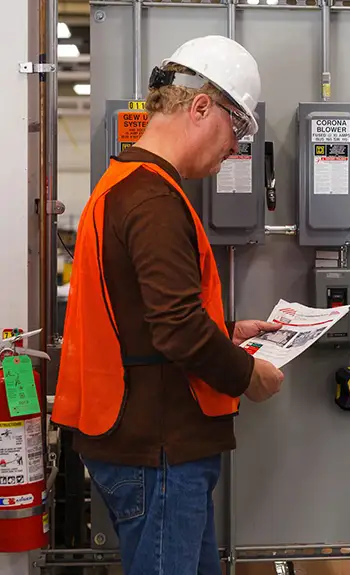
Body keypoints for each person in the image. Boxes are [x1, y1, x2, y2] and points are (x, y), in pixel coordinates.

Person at [51, 35, 285, 575]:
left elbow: (141, 315)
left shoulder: (125, 185)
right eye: (238, 128)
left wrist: (226, 329)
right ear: (201, 106)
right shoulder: (155, 199)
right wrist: (248, 374)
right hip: (158, 448)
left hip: (145, 440)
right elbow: (176, 328)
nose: (236, 147)